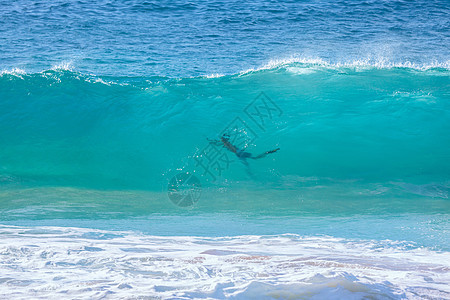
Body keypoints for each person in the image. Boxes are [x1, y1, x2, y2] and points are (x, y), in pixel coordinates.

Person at [208, 134, 280, 166]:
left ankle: (269, 152)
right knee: (255, 158)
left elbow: (218, 143)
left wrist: (211, 141)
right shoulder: (227, 143)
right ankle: (269, 152)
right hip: (240, 152)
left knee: (252, 160)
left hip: (239, 154)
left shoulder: (225, 144)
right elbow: (226, 142)